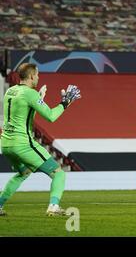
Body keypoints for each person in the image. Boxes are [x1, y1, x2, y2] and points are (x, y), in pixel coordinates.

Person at [0, 63, 81, 216]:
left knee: (23, 172)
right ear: (31, 76)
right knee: (59, 173)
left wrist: (40, 99)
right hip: (22, 143)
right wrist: (65, 103)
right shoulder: (30, 94)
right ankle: (53, 206)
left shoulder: (10, 90)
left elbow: (23, 113)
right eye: (37, 75)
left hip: (5, 144)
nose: (38, 77)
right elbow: (51, 116)